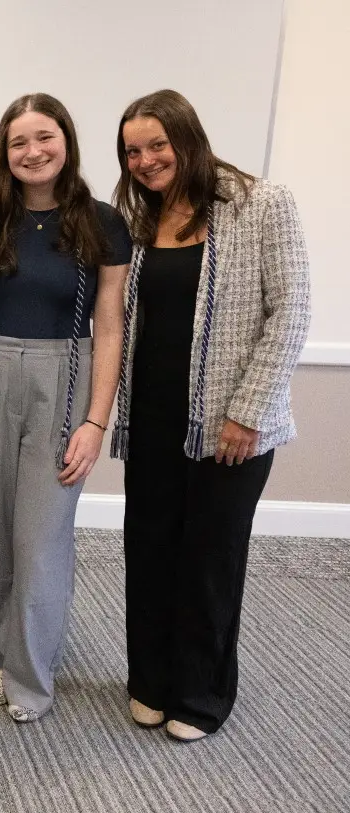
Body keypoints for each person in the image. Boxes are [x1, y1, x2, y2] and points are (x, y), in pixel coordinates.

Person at [112, 89, 310, 741]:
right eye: (133, 150)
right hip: (153, 420)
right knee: (149, 553)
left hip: (230, 426)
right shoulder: (141, 216)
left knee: (209, 560)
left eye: (156, 145)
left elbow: (292, 311)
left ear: (187, 139)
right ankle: (150, 681)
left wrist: (248, 411)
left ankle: (201, 695)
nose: (144, 160)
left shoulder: (259, 204)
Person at [0, 94, 131, 722]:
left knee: (41, 537)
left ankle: (31, 675)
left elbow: (110, 322)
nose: (33, 152)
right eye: (18, 142)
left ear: (67, 141)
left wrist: (96, 421)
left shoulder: (102, 222)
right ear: (4, 153)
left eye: (44, 137)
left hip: (66, 376)